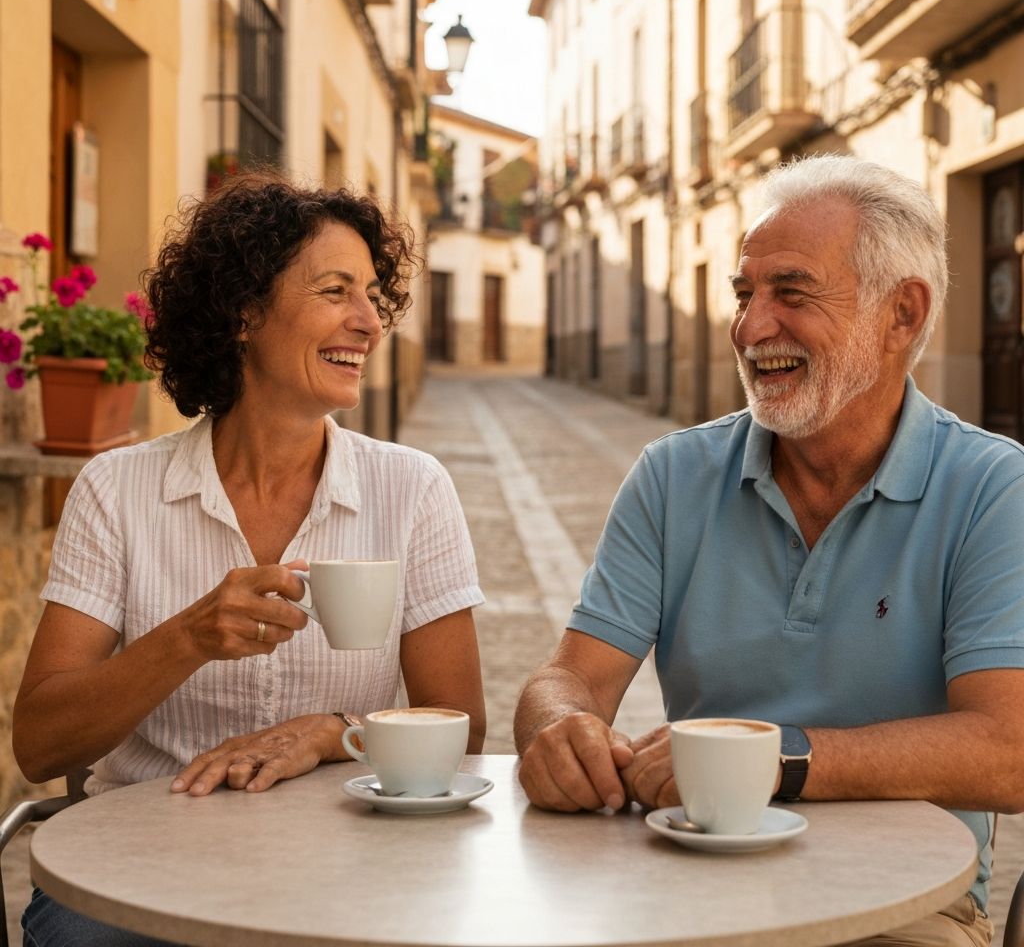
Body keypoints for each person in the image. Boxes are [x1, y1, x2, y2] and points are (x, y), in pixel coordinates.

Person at [514, 154, 1024, 947]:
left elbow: (1010, 751)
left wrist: (777, 761)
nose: (751, 328)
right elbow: (571, 675)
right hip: (693, 887)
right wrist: (559, 727)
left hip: (904, 911)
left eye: (792, 292)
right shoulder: (674, 475)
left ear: (902, 315)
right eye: (745, 294)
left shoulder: (995, 488)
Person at [14, 173, 486, 946]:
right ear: (243, 312)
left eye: (372, 294)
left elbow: (460, 730)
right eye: (335, 290)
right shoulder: (117, 489)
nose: (368, 321)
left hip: (349, 858)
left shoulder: (413, 489)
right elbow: (40, 744)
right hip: (141, 866)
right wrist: (188, 638)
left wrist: (336, 733)